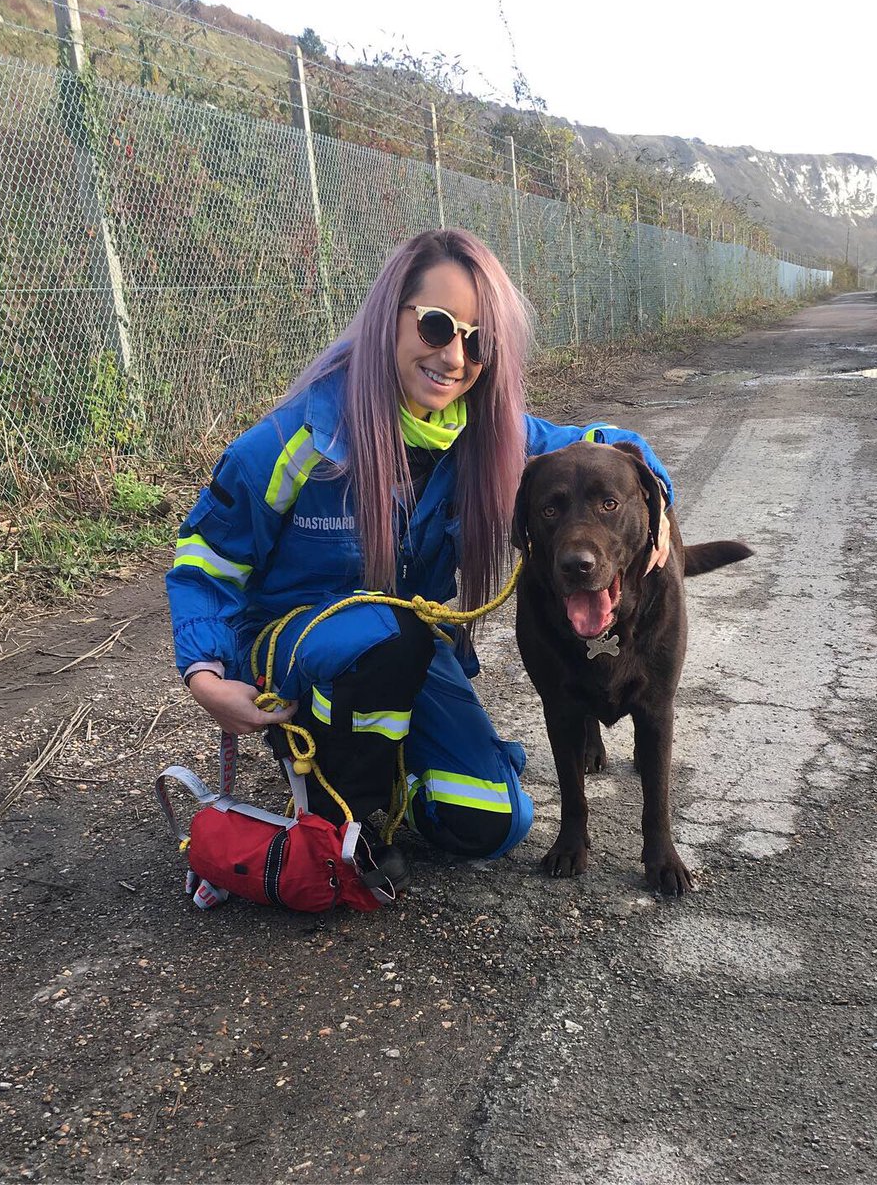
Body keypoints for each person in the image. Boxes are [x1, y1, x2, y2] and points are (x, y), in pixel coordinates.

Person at [166, 228, 673, 872]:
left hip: (401, 646)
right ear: (391, 316)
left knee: (492, 823)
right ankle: (342, 807)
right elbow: (207, 558)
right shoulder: (302, 438)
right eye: (437, 326)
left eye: (478, 340)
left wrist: (657, 501)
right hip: (296, 646)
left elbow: (606, 443)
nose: (455, 356)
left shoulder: (485, 436)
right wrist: (206, 677)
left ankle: (399, 765)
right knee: (389, 634)